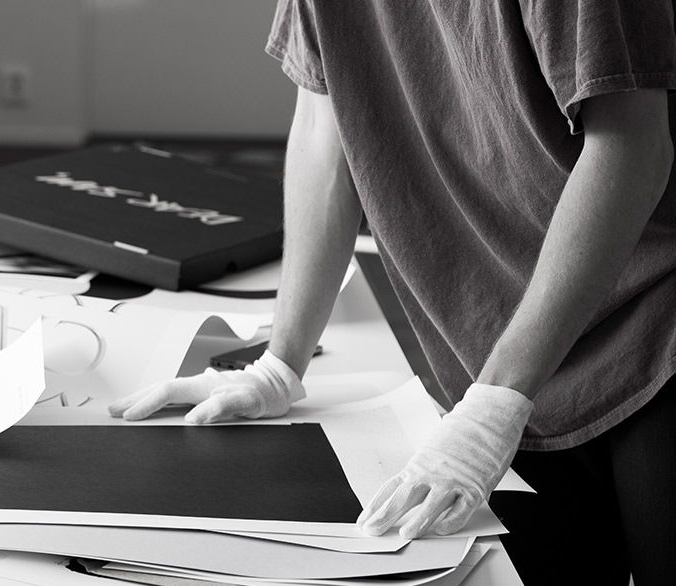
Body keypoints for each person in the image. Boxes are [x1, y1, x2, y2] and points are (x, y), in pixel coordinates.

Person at [109, 1, 676, 584]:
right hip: (499, 341)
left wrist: (495, 404)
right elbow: (322, 127)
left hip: (653, 328)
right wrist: (280, 362)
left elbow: (632, 149)